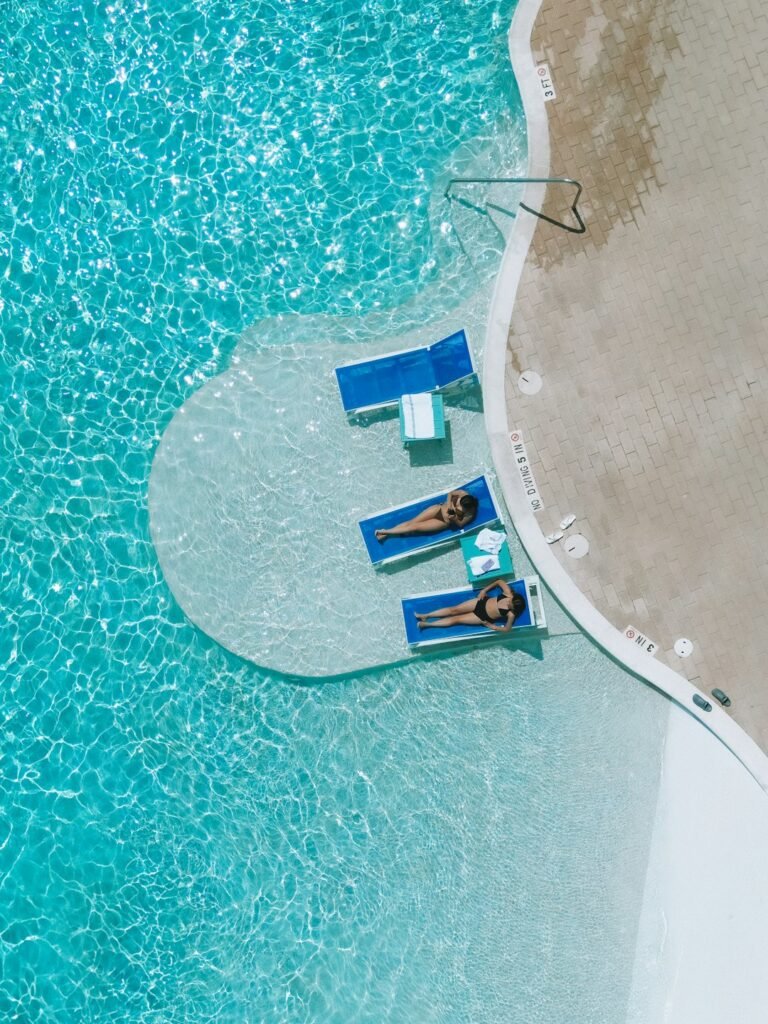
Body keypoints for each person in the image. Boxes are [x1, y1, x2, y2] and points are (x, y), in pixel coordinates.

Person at [415, 579, 526, 632]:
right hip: (480, 602)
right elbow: (499, 581)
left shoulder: (511, 614)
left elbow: (507, 629)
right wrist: (484, 590)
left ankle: (426, 625)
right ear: (513, 597)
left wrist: (492, 626)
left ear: (514, 609)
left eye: (510, 605)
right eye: (510, 601)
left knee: (456, 619)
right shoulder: (508, 593)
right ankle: (426, 615)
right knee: (454, 609)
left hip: (481, 616)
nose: (508, 603)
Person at [375, 490, 478, 542]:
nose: (458, 506)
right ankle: (386, 533)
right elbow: (450, 494)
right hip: (438, 509)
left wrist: (454, 518)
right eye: (459, 503)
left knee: (414, 527)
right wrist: (451, 505)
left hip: (442, 521)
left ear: (468, 508)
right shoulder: (463, 494)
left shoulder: (470, 513)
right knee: (412, 522)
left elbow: (460, 524)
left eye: (461, 508)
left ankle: (384, 531)